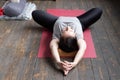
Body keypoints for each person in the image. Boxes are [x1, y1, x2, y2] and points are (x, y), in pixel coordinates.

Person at [32, 8, 103, 75]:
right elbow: (82, 49)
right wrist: (75, 63)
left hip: (55, 21)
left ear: (60, 37)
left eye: (66, 30)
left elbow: (53, 47)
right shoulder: (78, 38)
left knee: (35, 13)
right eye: (70, 30)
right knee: (98, 10)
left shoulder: (56, 38)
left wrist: (58, 62)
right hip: (80, 21)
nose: (68, 27)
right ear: (75, 36)